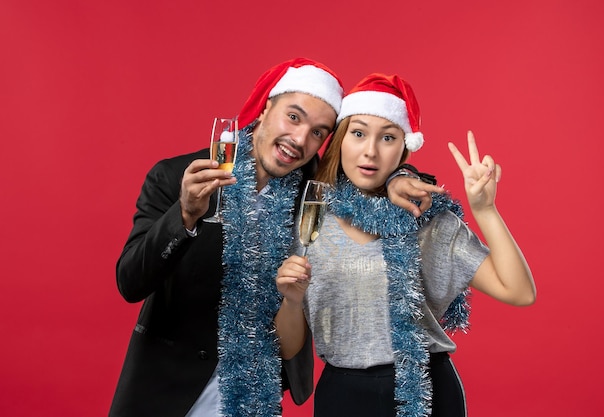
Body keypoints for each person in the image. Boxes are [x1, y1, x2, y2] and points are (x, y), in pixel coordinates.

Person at [109, 59, 440, 417]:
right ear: (266, 107)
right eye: (293, 117)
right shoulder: (180, 176)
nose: (299, 140)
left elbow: (373, 166)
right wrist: (185, 215)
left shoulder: (315, 192)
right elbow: (130, 282)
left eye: (318, 132)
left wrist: (400, 176)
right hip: (169, 390)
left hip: (259, 392)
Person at [275, 73, 537, 417]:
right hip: (342, 395)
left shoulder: (428, 219)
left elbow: (519, 291)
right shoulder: (309, 218)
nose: (370, 151)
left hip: (426, 390)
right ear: (340, 140)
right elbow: (290, 346)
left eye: (387, 137)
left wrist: (485, 210)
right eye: (358, 133)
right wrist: (293, 301)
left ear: (403, 147)